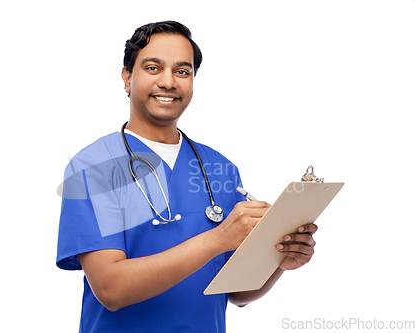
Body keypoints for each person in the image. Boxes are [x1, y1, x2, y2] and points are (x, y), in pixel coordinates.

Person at [56, 20, 318, 333]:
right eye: (153, 67)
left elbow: (237, 292)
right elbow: (112, 289)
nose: (168, 82)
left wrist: (279, 261)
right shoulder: (94, 166)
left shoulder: (219, 168)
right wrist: (218, 239)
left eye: (183, 71)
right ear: (127, 78)